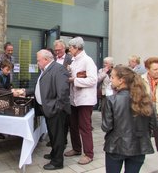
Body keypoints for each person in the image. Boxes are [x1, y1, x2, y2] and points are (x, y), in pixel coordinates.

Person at [102, 65, 157, 173]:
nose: (111, 80)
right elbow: (153, 125)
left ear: (121, 80)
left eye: (112, 77)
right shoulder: (146, 100)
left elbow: (106, 126)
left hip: (116, 146)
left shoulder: (111, 100)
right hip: (139, 146)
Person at [26, 49, 70, 170]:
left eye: (38, 60)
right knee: (52, 134)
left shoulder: (58, 69)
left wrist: (55, 108)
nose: (37, 62)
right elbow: (40, 87)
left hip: (56, 110)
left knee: (58, 136)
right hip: (49, 108)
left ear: (46, 59)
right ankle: (54, 154)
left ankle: (57, 162)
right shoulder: (46, 69)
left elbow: (63, 92)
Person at [64, 37, 97, 165]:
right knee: (73, 126)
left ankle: (89, 154)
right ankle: (77, 149)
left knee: (85, 127)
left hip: (85, 100)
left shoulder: (88, 61)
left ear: (77, 48)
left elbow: (93, 80)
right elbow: (74, 74)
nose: (69, 49)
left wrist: (74, 80)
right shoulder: (74, 61)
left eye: (70, 47)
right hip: (74, 99)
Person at [141, 57, 158, 151]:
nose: (157, 71)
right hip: (147, 115)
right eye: (155, 69)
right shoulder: (141, 80)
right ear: (148, 69)